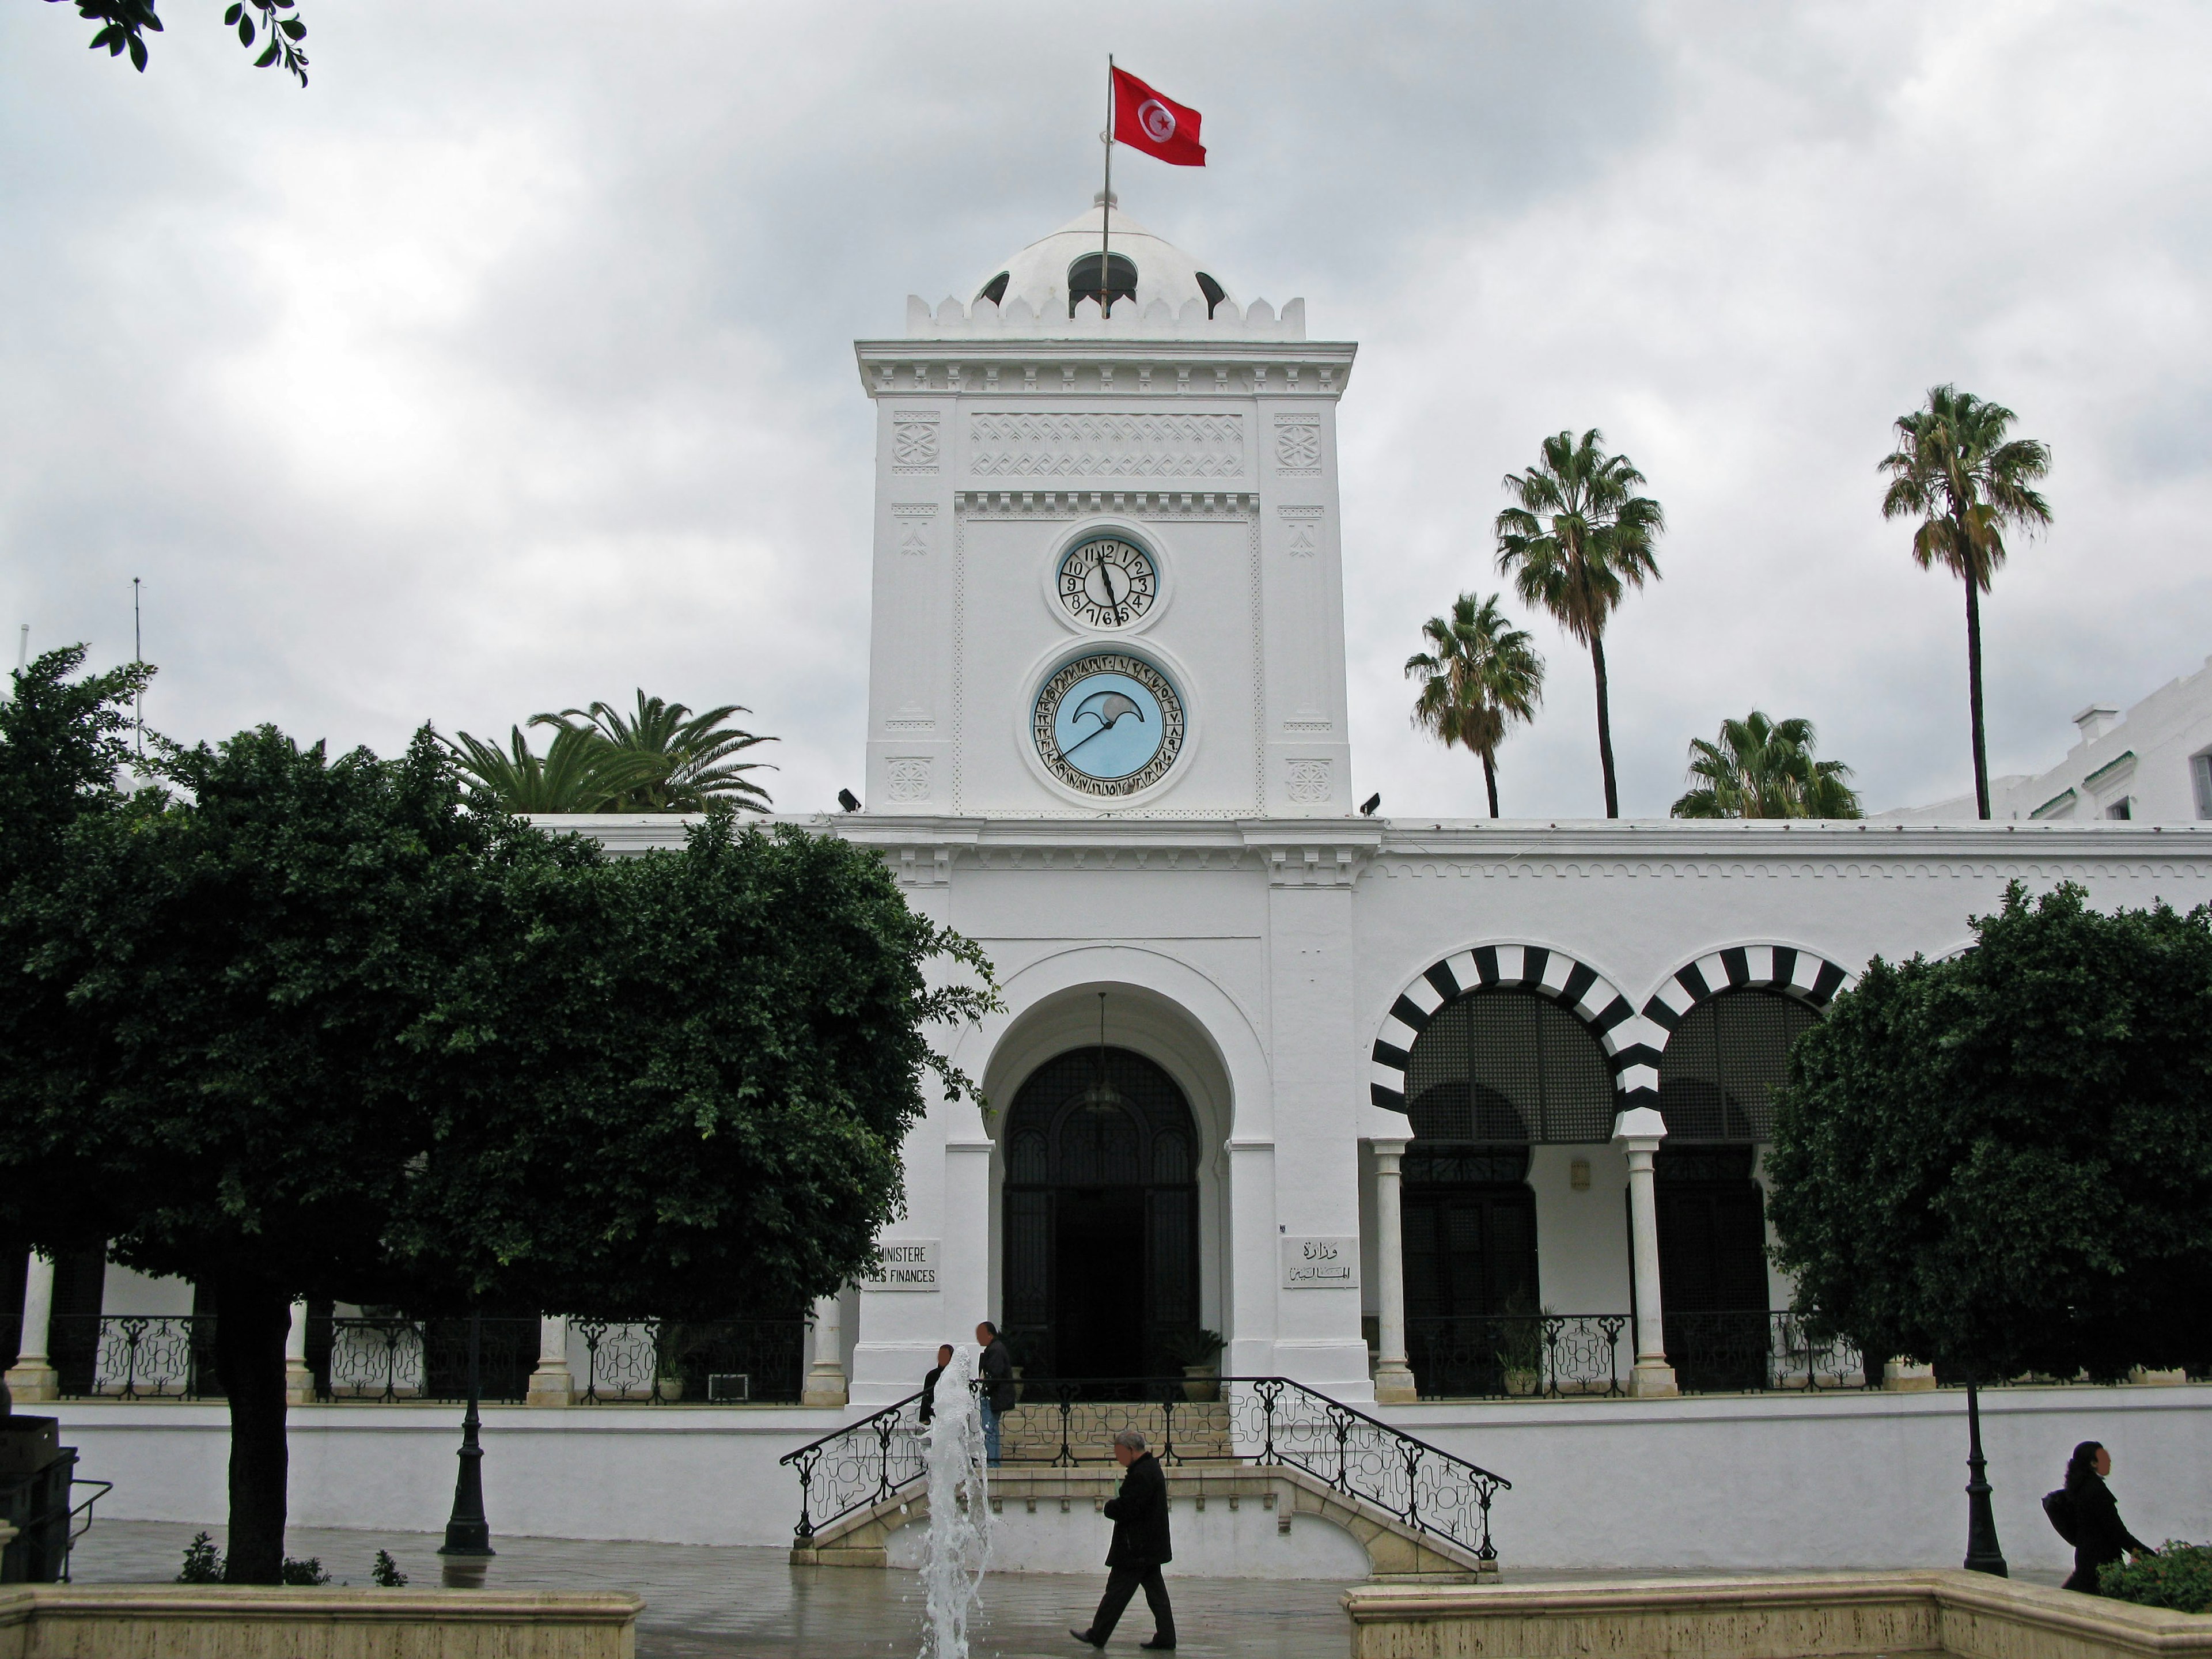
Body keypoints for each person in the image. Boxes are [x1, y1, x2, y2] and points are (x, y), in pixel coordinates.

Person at [1070, 1429, 1176, 1652]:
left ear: (1130, 1450)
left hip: (1135, 1548)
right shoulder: (1149, 1469)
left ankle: (1098, 1634)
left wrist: (1110, 1507)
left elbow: (1129, 1507)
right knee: (1156, 1594)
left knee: (1117, 1592)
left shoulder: (1142, 1474)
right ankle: (1166, 1636)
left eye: (1120, 1452)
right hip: (1147, 1546)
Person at [2061, 1440, 2155, 1594]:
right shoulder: (2096, 1491)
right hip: (2101, 1560)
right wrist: (2148, 1555)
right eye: (2104, 1459)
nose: (2109, 1461)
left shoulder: (2078, 1487)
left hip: (2086, 1556)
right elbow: (2117, 1532)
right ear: (2093, 1463)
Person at [975, 1321, 1014, 1466]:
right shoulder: (996, 1348)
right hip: (995, 1396)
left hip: (993, 1397)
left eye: (981, 1335)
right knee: (992, 1429)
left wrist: (986, 1387)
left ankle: (992, 1463)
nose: (978, 1338)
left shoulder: (995, 1350)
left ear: (990, 1335)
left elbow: (995, 1374)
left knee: (989, 1429)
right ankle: (993, 1462)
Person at [918, 1343, 955, 1425]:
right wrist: (924, 1418)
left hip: (952, 1415)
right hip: (935, 1415)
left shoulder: (956, 1375)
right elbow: (926, 1397)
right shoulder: (932, 1375)